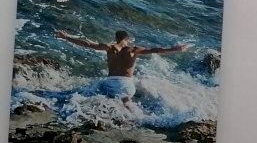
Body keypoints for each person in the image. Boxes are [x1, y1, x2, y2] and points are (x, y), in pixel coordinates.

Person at [54, 30, 190, 101]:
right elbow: (156, 50)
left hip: (109, 83)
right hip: (126, 84)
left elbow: (87, 44)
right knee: (125, 101)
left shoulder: (109, 47)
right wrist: (176, 49)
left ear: (116, 39)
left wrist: (66, 37)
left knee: (107, 99)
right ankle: (136, 118)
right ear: (126, 39)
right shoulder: (133, 50)